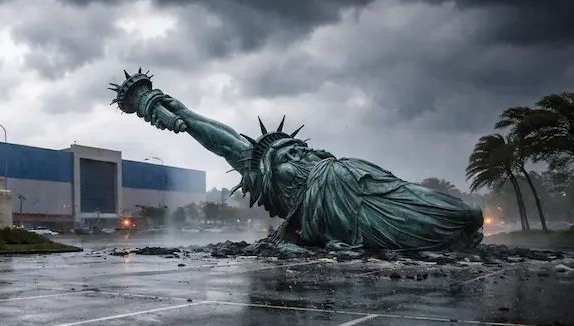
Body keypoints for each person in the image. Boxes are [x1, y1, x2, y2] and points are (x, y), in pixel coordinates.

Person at [114, 80, 484, 251]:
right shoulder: (266, 175)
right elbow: (218, 136)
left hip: (364, 180)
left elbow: (212, 127)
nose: (299, 157)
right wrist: (155, 105)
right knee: (431, 227)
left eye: (300, 152)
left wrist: (158, 102)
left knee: (467, 211)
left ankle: (460, 229)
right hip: (340, 210)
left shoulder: (313, 164)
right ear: (270, 179)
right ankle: (453, 235)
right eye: (288, 158)